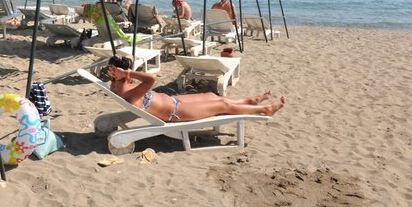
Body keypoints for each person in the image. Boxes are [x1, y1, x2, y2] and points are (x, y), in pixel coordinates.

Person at [105, 56, 285, 122]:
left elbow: (130, 57)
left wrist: (124, 70)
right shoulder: (127, 92)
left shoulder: (118, 83)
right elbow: (152, 78)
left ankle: (250, 101)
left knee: (211, 95)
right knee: (222, 105)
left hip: (175, 101)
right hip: (176, 112)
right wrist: (127, 72)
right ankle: (265, 109)